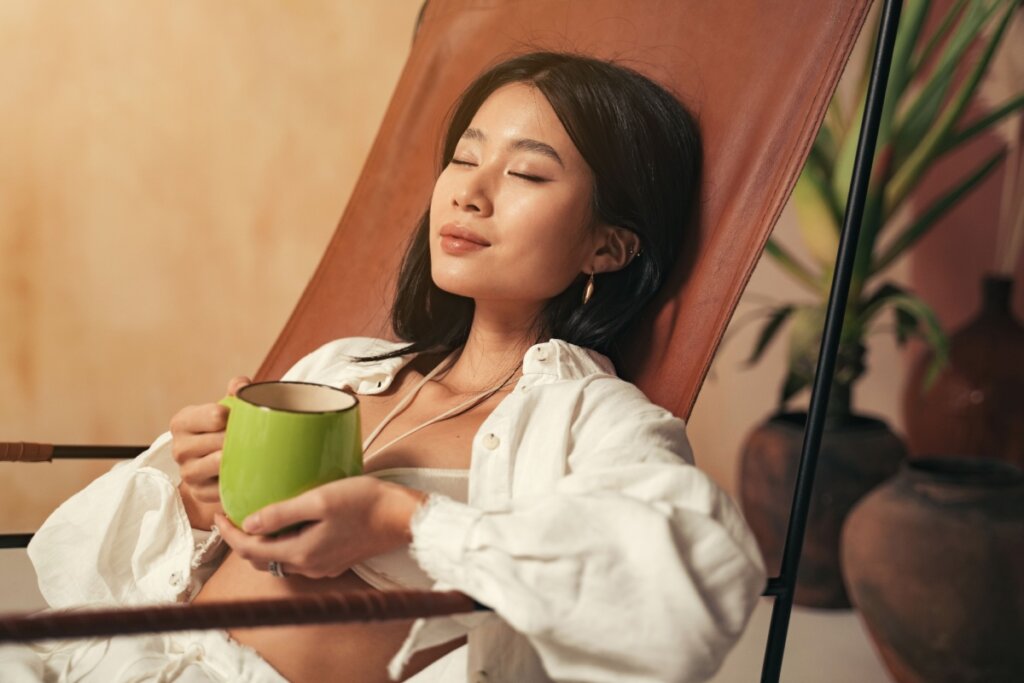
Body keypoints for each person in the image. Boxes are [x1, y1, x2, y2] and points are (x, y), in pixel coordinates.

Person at [5, 52, 766, 682]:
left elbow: (698, 580)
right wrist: (203, 498)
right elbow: (138, 558)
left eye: (526, 175)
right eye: (465, 157)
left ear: (607, 246)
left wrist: (401, 521)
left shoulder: (587, 418)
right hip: (117, 657)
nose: (467, 191)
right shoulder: (349, 366)